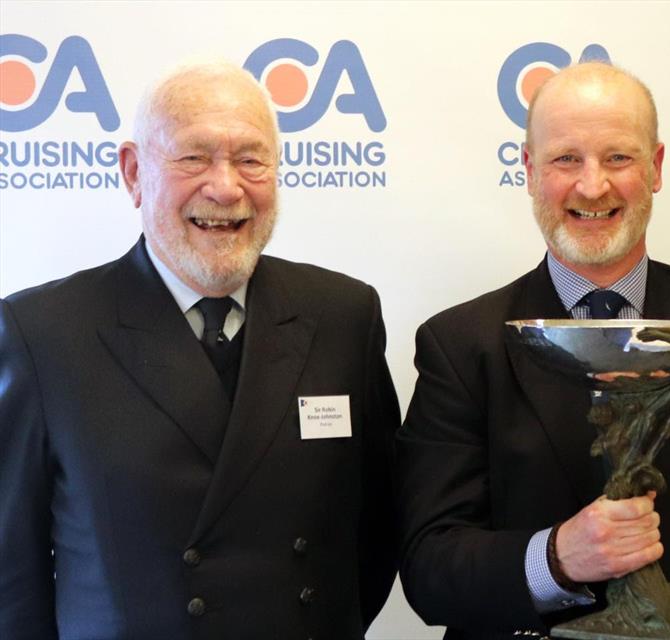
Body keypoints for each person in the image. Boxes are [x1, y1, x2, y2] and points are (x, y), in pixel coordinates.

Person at [396, 62, 670, 639]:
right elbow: (430, 565)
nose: (592, 185)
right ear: (530, 171)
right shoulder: (461, 345)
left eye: (618, 157)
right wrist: (557, 557)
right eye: (565, 159)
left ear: (655, 168)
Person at [0, 61, 400, 639]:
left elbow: (379, 527)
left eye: (251, 159)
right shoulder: (42, 332)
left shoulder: (343, 314)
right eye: (194, 157)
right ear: (134, 173)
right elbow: (13, 578)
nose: (226, 186)